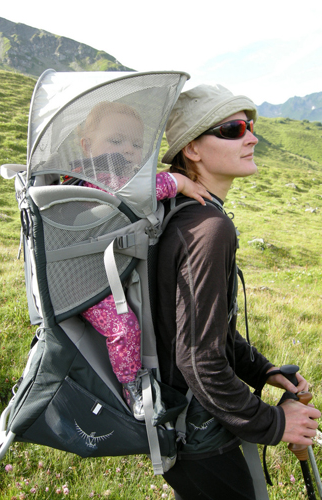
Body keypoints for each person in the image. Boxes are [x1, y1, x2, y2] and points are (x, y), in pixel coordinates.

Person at [155, 84, 321, 499]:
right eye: (232, 129)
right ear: (192, 149)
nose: (251, 137)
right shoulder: (209, 229)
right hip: (203, 436)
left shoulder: (183, 215)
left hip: (184, 429)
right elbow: (198, 359)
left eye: (249, 126)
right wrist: (275, 423)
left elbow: (206, 329)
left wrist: (263, 371)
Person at [68, 101, 211, 420]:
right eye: (116, 141)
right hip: (85, 283)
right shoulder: (98, 177)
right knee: (124, 326)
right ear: (87, 146)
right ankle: (132, 387)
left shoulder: (110, 174)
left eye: (136, 143)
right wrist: (178, 182)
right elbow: (134, 194)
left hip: (102, 270)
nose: (128, 150)